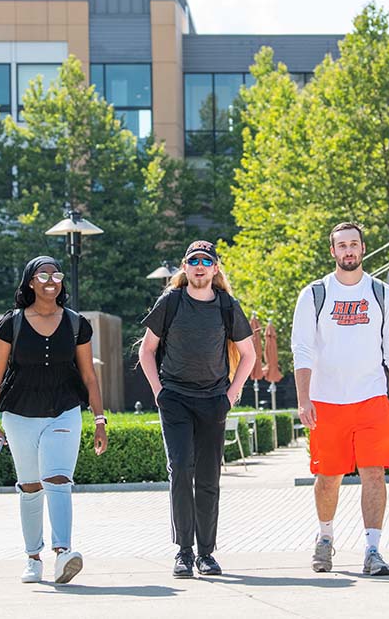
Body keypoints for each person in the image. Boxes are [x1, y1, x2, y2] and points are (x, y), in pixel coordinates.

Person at [290, 222, 389, 576]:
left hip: (371, 399)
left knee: (374, 474)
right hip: (326, 401)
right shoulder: (314, 295)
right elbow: (301, 351)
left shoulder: (383, 295)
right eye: (341, 245)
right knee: (328, 476)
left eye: (354, 245)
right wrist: (304, 400)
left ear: (362, 249)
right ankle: (325, 539)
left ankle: (373, 549)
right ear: (333, 251)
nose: (348, 251)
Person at [0, 256, 108, 584]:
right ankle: (32, 557)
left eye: (57, 274)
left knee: (58, 479)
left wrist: (99, 420)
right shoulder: (12, 323)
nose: (52, 280)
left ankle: (63, 552)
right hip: (19, 415)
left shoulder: (76, 323)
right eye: (43, 275)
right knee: (30, 486)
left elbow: (89, 376)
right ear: (29, 282)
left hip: (64, 410)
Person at [138, 241, 257, 578]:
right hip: (174, 397)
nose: (200, 266)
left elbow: (248, 354)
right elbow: (147, 351)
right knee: (180, 469)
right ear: (184, 268)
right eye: (194, 261)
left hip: (212, 400)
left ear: (215, 268)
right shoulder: (172, 301)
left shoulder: (226, 306)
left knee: (208, 477)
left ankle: (206, 553)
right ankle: (184, 552)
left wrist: (231, 395)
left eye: (207, 261)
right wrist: (159, 392)